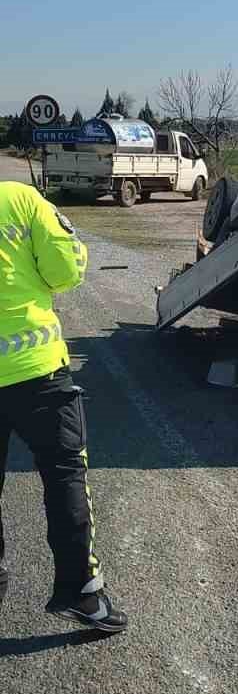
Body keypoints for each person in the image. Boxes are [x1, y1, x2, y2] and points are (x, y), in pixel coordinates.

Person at [0, 180, 126, 633]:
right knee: (65, 477)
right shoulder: (20, 199)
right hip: (36, 373)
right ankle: (82, 594)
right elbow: (66, 272)